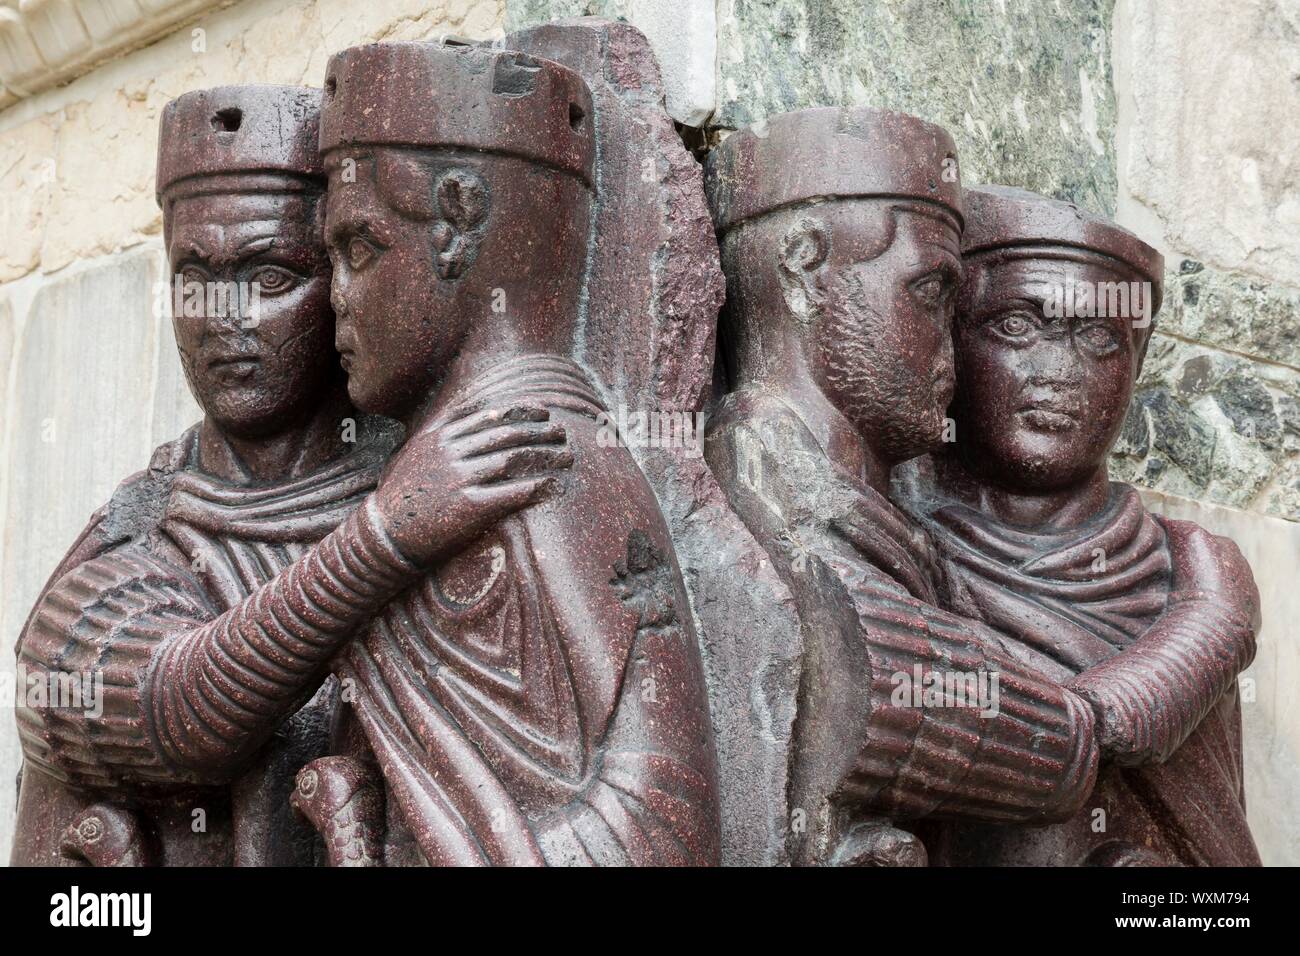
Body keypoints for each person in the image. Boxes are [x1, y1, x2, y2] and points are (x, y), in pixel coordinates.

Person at [897, 185, 1261, 865]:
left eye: (1099, 338)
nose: (1058, 373)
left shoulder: (1194, 568)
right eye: (1016, 326)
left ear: (1136, 366)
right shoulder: (898, 546)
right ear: (949, 342)